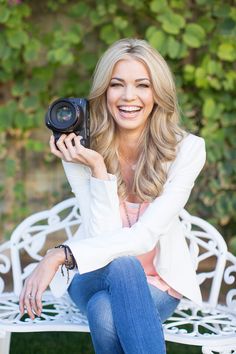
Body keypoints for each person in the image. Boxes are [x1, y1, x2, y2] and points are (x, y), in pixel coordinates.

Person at [19, 38, 206, 354]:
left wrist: (60, 254)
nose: (129, 96)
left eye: (142, 85)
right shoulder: (82, 149)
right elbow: (103, 238)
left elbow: (144, 238)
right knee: (122, 265)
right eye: (117, 84)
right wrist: (98, 169)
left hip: (157, 284)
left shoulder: (187, 150)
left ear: (157, 93)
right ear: (103, 92)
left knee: (104, 310)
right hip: (92, 275)